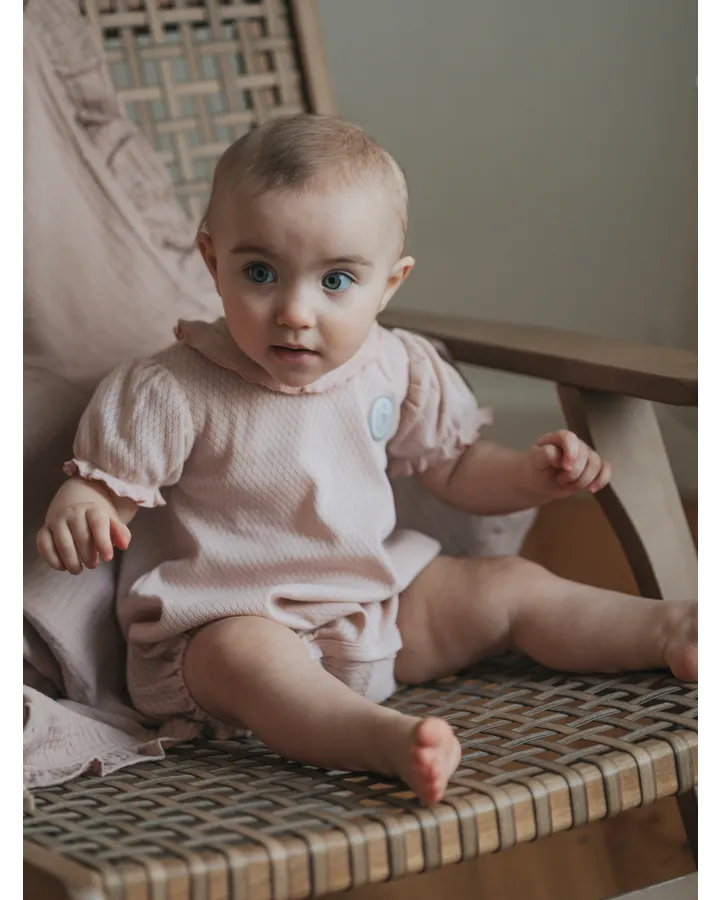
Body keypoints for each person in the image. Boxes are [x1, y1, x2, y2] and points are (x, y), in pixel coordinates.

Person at [37, 115, 697, 805]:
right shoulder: (173, 389)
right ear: (212, 260)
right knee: (248, 661)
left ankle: (666, 628)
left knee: (507, 586)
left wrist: (528, 476)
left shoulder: (396, 367)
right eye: (260, 273)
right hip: (226, 622)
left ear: (389, 283)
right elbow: (113, 486)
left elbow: (452, 470)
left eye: (336, 280)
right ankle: (377, 739)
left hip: (375, 605)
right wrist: (86, 506)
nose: (295, 311)